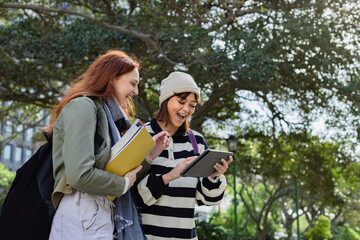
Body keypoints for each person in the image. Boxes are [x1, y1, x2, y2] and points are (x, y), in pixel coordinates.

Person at [48, 50, 170, 240]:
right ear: (112, 78)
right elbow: (80, 175)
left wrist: (148, 156)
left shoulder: (110, 118)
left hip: (97, 210)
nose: (136, 91)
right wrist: (123, 183)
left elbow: (115, 169)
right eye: (133, 83)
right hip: (82, 210)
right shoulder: (83, 106)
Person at [134, 71, 233, 240]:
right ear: (165, 100)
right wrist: (171, 176)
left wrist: (214, 176)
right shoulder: (142, 135)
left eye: (192, 104)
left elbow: (206, 200)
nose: (186, 109)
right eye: (181, 101)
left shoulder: (197, 142)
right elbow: (133, 197)